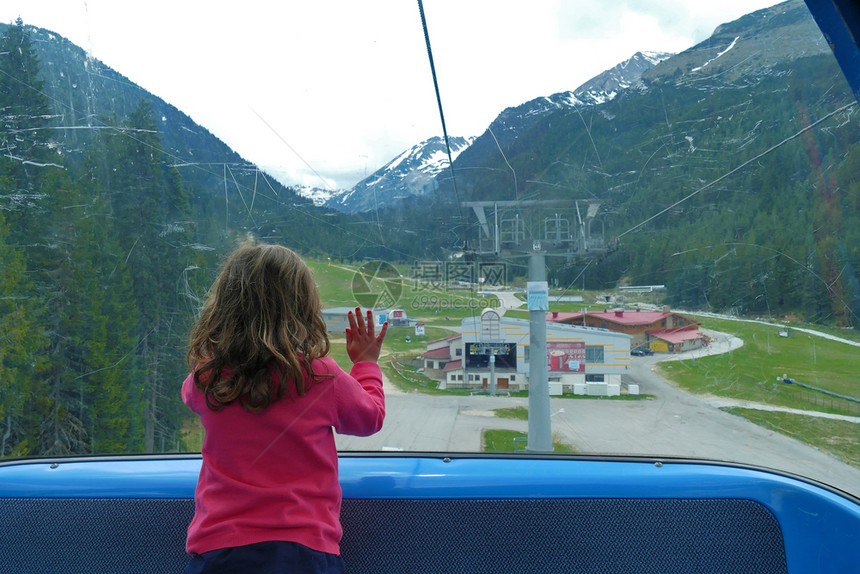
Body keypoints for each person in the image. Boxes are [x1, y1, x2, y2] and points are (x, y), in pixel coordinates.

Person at [182, 243, 388, 574]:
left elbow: (190, 396)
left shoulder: (207, 379)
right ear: (304, 309)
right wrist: (365, 365)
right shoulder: (321, 375)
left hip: (219, 551)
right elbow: (370, 417)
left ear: (224, 307)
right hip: (304, 552)